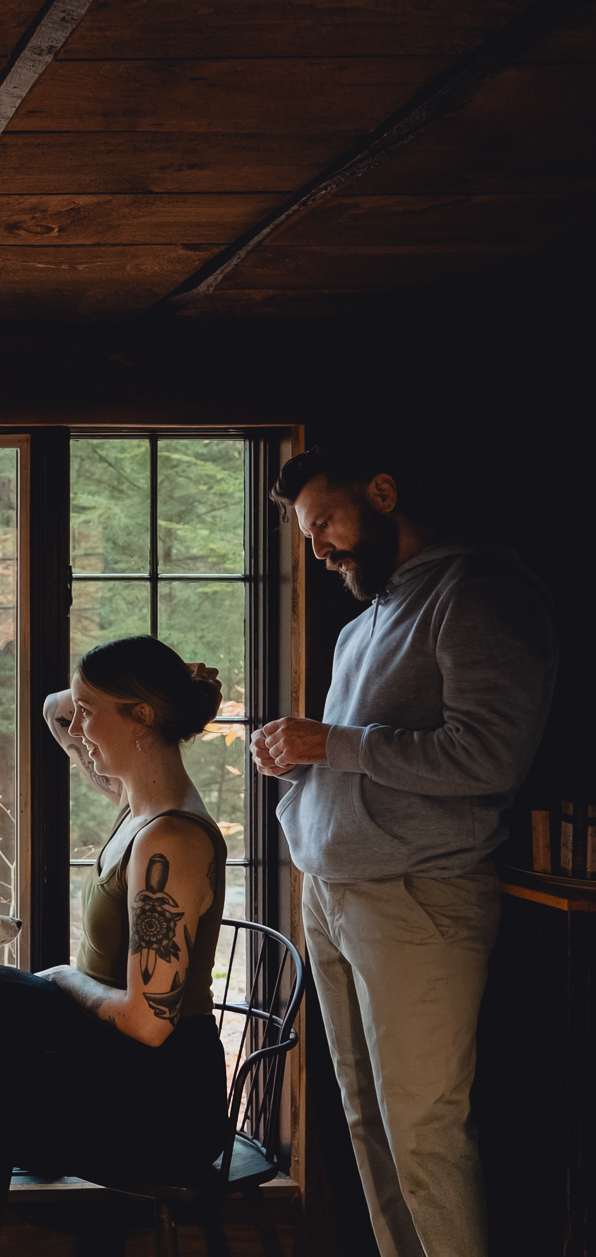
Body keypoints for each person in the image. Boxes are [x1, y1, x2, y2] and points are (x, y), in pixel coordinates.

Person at [254, 445, 556, 1257]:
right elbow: (351, 756)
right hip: (332, 892)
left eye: (325, 525)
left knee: (424, 1131)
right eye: (308, 536)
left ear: (382, 494)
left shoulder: (481, 594)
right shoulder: (367, 621)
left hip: (419, 898)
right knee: (365, 1121)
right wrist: (300, 772)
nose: (318, 550)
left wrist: (333, 744)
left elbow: (486, 757)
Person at [0, 636, 230, 1257]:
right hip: (105, 1063)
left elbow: (149, 1024)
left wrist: (66, 978)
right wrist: (110, 691)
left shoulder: (170, 840)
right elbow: (52, 708)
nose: (79, 725)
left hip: (160, 1101)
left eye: (93, 710)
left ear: (142, 718)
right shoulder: (134, 803)